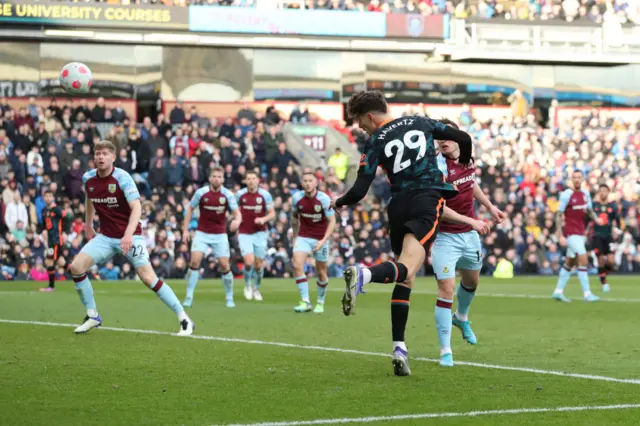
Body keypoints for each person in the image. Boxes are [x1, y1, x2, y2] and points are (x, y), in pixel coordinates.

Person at [332, 90, 472, 376]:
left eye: (360, 122)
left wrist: (339, 201)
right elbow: (464, 139)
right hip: (426, 201)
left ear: (370, 117)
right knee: (407, 267)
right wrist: (465, 161)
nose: (361, 128)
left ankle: (399, 348)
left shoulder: (374, 142)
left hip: (397, 207)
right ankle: (364, 275)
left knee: (404, 277)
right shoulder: (421, 122)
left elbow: (359, 190)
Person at [68, 140, 195, 335]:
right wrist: (88, 224)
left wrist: (128, 234)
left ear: (113, 157)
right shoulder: (88, 178)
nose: (100, 157)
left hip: (131, 236)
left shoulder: (122, 177)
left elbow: (137, 207)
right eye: (97, 153)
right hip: (106, 237)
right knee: (76, 267)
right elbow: (89, 199)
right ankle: (92, 315)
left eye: (104, 153)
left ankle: (184, 318)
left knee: (147, 277)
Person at [430, 120, 504, 367]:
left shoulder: (467, 160)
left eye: (446, 135)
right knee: (446, 288)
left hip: (469, 235)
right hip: (445, 237)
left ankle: (461, 317)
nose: (441, 140)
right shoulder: (436, 167)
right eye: (438, 136)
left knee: (472, 281)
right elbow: (439, 209)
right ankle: (445, 350)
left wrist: (490, 207)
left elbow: (471, 185)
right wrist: (472, 221)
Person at [182, 167, 242, 308]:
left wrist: (237, 221)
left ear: (223, 179)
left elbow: (237, 212)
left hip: (220, 234)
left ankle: (229, 297)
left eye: (219, 176)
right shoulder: (201, 193)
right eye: (214, 176)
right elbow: (190, 208)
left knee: (224, 265)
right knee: (195, 262)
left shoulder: (227, 195)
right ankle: (189, 296)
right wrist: (185, 230)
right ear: (210, 178)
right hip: (202, 233)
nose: (216, 179)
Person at [552, 170, 603, 303]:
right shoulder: (566, 195)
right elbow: (558, 214)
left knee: (570, 262)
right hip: (570, 232)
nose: (576, 180)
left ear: (582, 179)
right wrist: (560, 234)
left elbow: (590, 211)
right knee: (583, 258)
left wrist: (596, 219)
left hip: (580, 232)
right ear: (571, 179)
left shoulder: (586, 194)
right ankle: (587, 294)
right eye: (574, 177)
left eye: (579, 177)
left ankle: (558, 292)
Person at [291, 173, 336, 313]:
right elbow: (294, 218)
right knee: (297, 264)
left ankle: (320, 302)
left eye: (310, 181)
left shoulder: (323, 199)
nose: (308, 183)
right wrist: (294, 237)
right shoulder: (296, 198)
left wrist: (323, 241)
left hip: (320, 238)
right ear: (302, 183)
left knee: (321, 272)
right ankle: (305, 301)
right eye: (305, 181)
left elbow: (332, 221)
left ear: (316, 183)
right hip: (303, 236)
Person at [235, 171, 275, 301]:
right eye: (249, 179)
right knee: (248, 262)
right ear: (245, 181)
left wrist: (263, 219)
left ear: (258, 180)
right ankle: (247, 286)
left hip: (260, 233)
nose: (251, 181)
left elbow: (272, 213)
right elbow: (233, 210)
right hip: (244, 232)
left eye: (253, 178)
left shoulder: (265, 195)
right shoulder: (239, 195)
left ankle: (256, 288)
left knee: (258, 265)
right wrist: (236, 219)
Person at [590, 184, 620, 293]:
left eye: (605, 190)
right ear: (598, 193)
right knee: (601, 260)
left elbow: (617, 218)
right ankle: (604, 284)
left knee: (611, 261)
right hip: (597, 235)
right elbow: (587, 217)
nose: (603, 192)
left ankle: (601, 274)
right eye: (601, 190)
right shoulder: (594, 205)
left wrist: (618, 230)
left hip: (608, 236)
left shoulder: (613, 205)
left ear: (608, 192)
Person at [39, 190, 70, 292]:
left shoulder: (57, 210)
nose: (48, 198)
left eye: (50, 196)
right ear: (44, 198)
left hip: (56, 240)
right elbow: (44, 224)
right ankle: (79, 275)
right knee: (61, 262)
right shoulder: (44, 210)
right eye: (46, 196)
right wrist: (43, 230)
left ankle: (51, 287)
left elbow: (67, 218)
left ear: (53, 197)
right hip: (50, 241)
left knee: (49, 261)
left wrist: (65, 232)